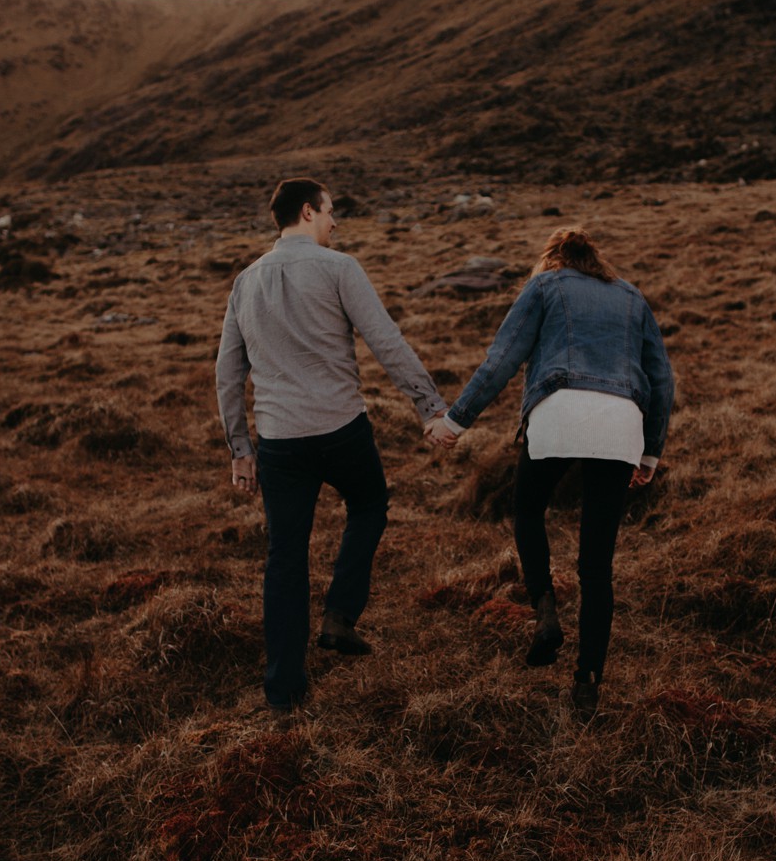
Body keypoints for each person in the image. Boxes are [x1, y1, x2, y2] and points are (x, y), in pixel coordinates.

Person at [216, 177, 454, 713]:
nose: (334, 221)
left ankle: (283, 691)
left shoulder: (245, 282)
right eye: (329, 212)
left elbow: (228, 373)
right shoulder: (340, 267)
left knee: (284, 557)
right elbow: (385, 340)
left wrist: (240, 447)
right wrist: (428, 406)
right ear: (306, 211)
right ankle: (340, 615)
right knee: (369, 505)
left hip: (279, 442)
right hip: (341, 428)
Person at [429, 226, 674, 715]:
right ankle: (587, 682)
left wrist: (457, 419)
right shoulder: (631, 296)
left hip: (559, 410)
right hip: (621, 420)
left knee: (527, 509)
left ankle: (544, 609)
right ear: (595, 259)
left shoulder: (545, 286)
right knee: (597, 566)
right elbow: (662, 377)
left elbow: (502, 358)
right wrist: (650, 453)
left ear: (553, 258)